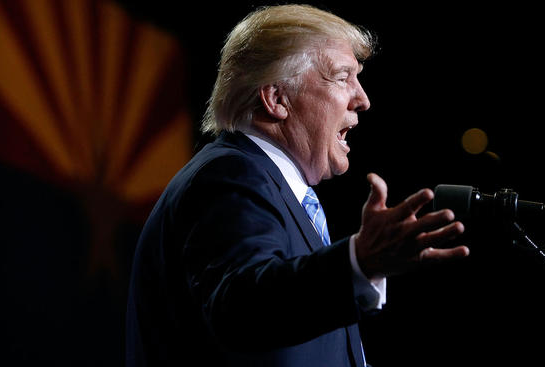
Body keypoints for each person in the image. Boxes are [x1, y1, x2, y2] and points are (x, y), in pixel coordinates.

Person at [126, 4, 469, 366]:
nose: (363, 99)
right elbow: (241, 309)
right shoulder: (230, 175)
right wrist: (358, 262)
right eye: (342, 77)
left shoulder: (275, 189)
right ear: (276, 99)